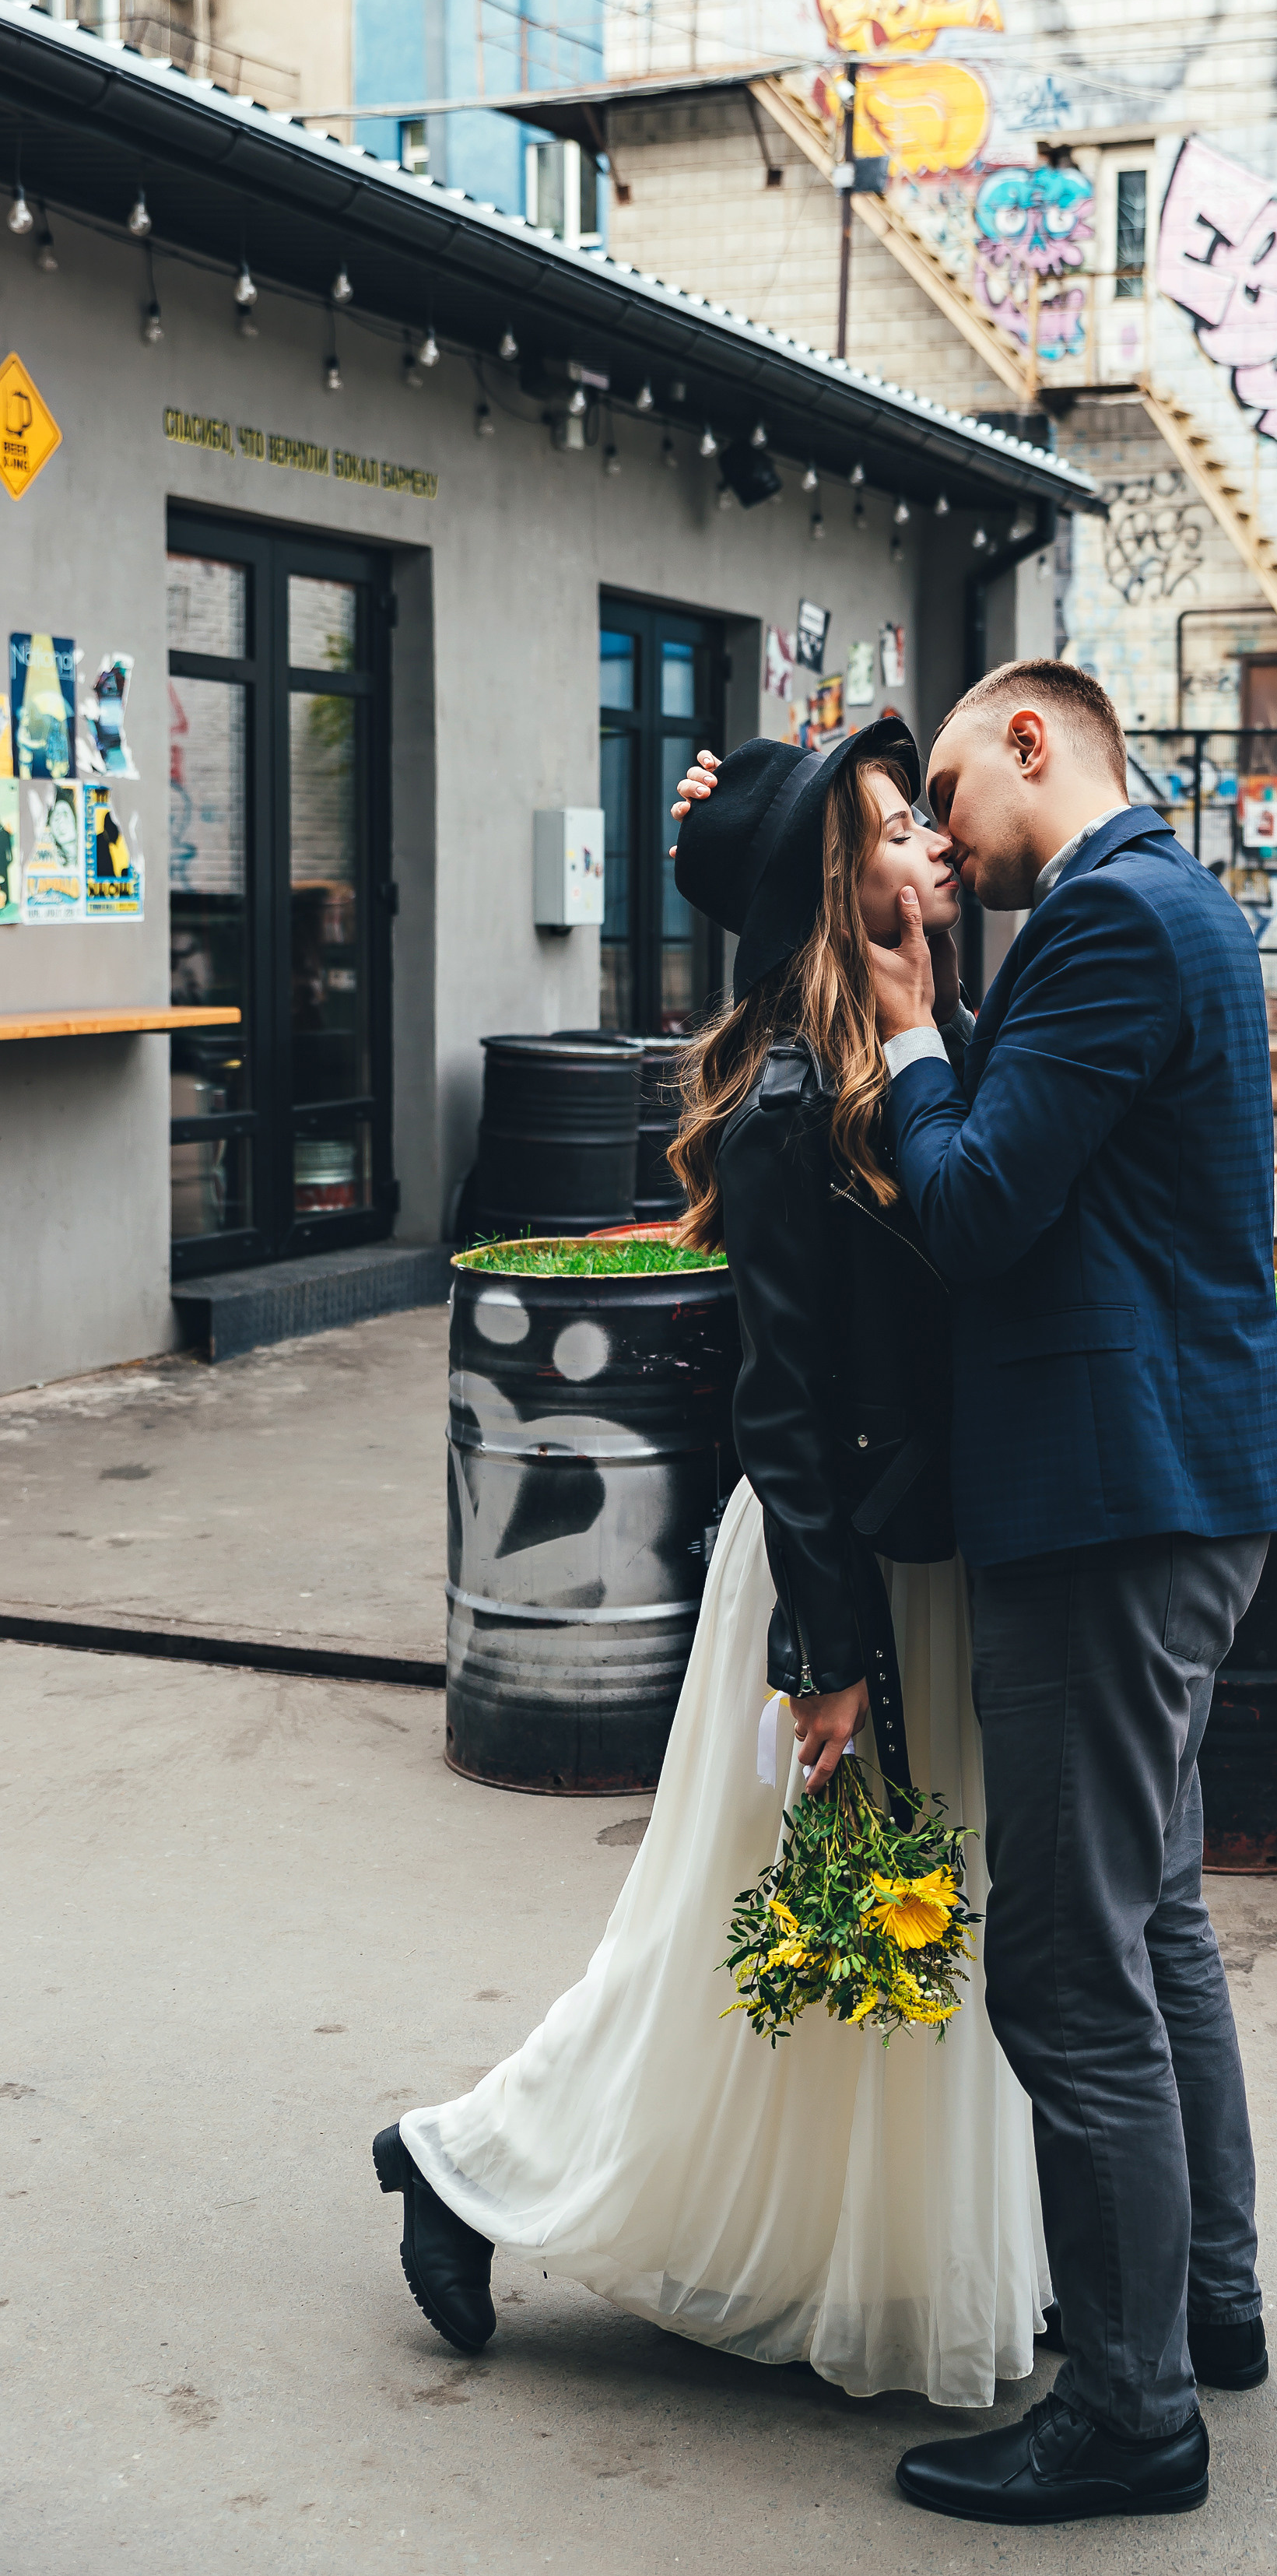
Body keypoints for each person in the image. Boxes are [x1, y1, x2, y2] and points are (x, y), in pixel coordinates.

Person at [675, 658, 1277, 2529]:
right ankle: (1208, 2304)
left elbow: (968, 1206)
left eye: (943, 787)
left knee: (1063, 1967)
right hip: (1164, 1493)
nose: (935, 833)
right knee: (1157, 1921)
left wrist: (922, 1032)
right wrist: (745, 814)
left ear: (1033, 743)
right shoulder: (1160, 907)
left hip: (1112, 1509)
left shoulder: (1111, 924)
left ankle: (1128, 2416)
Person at [370, 714, 1048, 2410]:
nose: (938, 844)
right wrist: (820, 1655)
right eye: (899, 825)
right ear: (837, 879)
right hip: (835, 1584)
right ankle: (461, 2162)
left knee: (899, 1942)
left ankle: (880, 2260)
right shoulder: (788, 1104)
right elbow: (786, 1407)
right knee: (723, 1936)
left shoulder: (943, 1033)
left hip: (930, 1573)